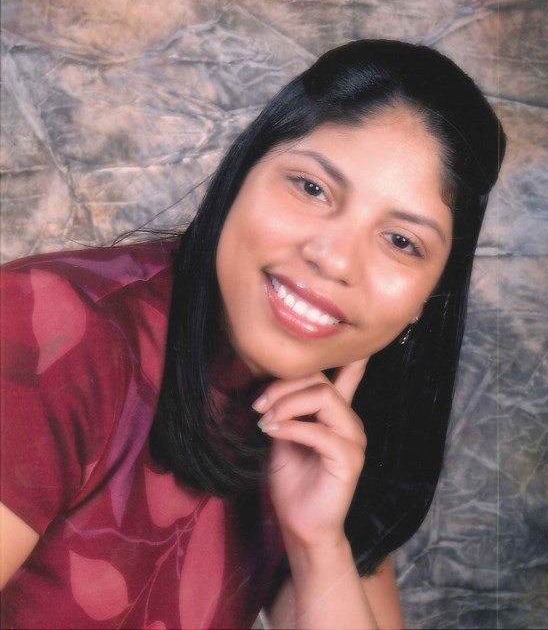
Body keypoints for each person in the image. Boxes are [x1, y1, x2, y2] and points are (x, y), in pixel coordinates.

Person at [0, 39, 506, 629]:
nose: (334, 258)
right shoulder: (47, 332)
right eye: (312, 188)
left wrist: (317, 543)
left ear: (429, 298)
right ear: (243, 171)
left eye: (401, 242)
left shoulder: (327, 422)